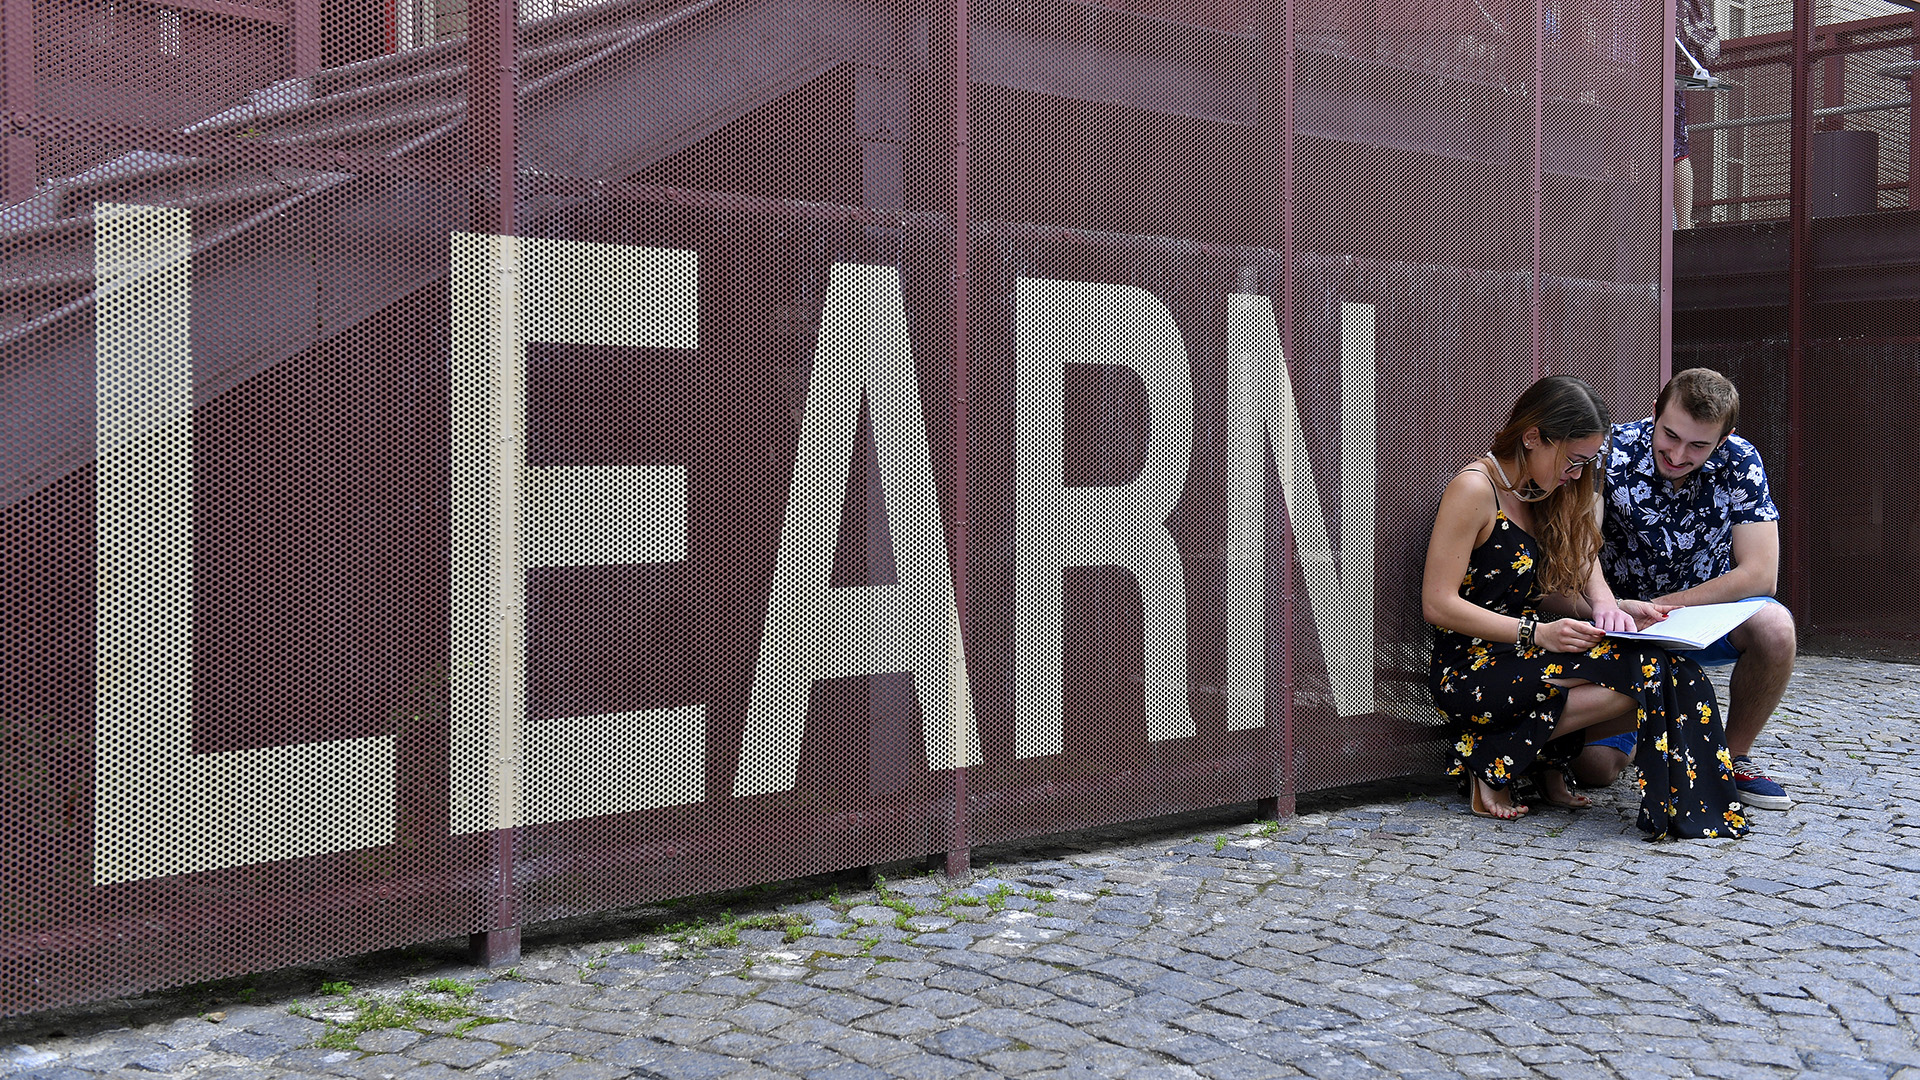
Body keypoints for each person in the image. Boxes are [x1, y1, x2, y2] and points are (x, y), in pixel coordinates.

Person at [1424, 375, 1746, 838]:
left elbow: (1561, 575)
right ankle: (1490, 758)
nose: (1577, 474)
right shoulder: (1475, 489)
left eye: (1586, 463)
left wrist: (1615, 607)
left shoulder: (1540, 488)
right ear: (1533, 437)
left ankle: (1513, 755)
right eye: (1573, 461)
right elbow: (1437, 604)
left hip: (1525, 652)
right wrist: (1535, 634)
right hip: (1472, 667)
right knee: (1645, 674)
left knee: (1665, 668)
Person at [1575, 368, 1797, 811]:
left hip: (1701, 617)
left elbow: (1760, 574)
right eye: (1670, 435)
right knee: (1593, 770)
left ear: (1723, 438)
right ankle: (1648, 730)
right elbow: (1580, 545)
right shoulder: (1611, 450)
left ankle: (1729, 759)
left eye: (1697, 445)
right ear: (1655, 414)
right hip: (1621, 627)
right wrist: (1615, 608)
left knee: (1775, 626)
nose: (1677, 454)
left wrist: (1662, 606)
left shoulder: (1741, 460)